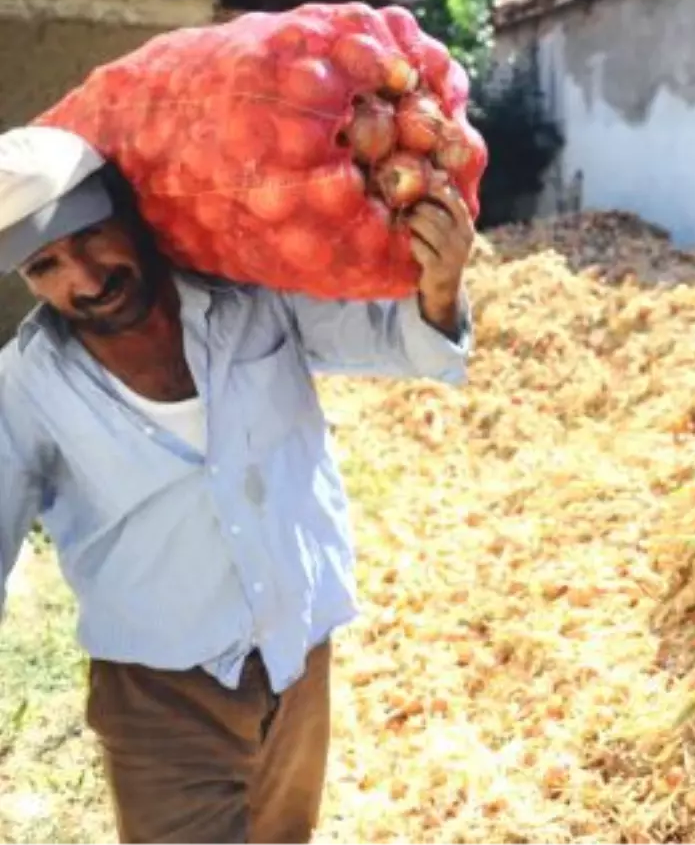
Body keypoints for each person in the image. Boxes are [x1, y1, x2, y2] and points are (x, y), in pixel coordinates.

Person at [0, 125, 475, 843]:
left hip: (299, 657)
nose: (87, 278)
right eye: (47, 265)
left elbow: (395, 336)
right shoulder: (23, 388)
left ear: (131, 214)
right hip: (162, 696)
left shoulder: (253, 296)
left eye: (93, 236)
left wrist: (440, 286)